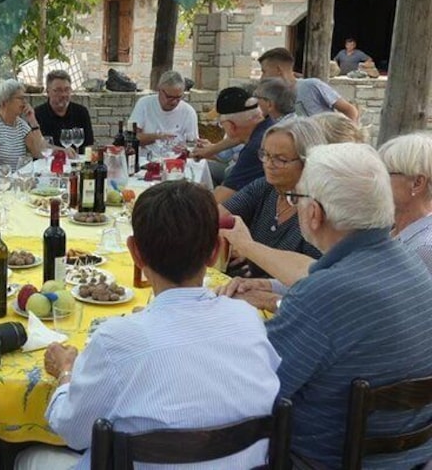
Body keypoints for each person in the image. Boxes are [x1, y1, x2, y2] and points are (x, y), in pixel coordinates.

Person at [15, 181, 280, 470]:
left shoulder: (117, 340)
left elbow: (71, 430)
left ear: (135, 254)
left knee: (27, 457)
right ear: (215, 251)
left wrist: (66, 372)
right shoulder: (247, 320)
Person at [258, 143, 432, 468]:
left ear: (315, 214)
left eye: (298, 199)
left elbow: (257, 386)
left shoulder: (323, 294)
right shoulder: (410, 262)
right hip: (415, 459)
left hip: (322, 461)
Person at [221, 118, 324, 280]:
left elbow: (312, 276)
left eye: (280, 159)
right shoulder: (265, 187)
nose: (269, 164)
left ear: (307, 162)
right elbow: (218, 217)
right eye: (265, 155)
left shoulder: (318, 210)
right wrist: (229, 242)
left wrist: (251, 250)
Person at [202, 87, 273, 204]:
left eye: (221, 124)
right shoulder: (269, 126)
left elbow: (218, 201)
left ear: (231, 126)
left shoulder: (255, 148)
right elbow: (237, 138)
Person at [379, 133, 432, 274]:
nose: (375, 182)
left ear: (417, 183)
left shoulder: (425, 247)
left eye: (384, 174)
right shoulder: (397, 230)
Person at [258, 47, 358, 121]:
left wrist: (350, 140)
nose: (262, 78)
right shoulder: (272, 100)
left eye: (264, 71)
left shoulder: (312, 86)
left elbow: (350, 110)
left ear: (278, 70)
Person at [0, 79, 45, 170]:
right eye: (20, 98)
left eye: (24, 98)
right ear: (6, 101)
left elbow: (39, 153)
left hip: (20, 179)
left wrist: (32, 120)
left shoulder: (21, 125)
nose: (25, 102)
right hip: (1, 181)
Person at [127, 70, 198, 148]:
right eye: (169, 97)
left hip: (176, 158)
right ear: (159, 90)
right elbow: (131, 138)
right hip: (145, 158)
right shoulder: (144, 104)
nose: (174, 102)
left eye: (178, 97)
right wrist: (158, 137)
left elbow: (192, 144)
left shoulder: (188, 112)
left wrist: (184, 149)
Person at [34, 69, 95, 153]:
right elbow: (37, 146)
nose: (63, 94)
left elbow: (89, 145)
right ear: (48, 91)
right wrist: (63, 152)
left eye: (67, 89)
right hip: (48, 164)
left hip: (77, 163)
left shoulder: (81, 112)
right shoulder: (37, 114)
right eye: (58, 90)